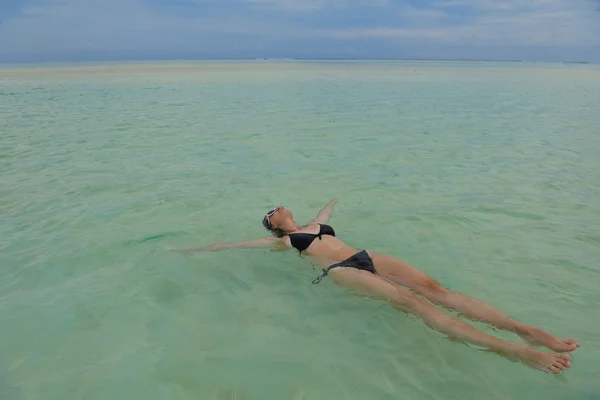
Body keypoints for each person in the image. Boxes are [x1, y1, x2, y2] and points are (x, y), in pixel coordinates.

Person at [179, 197, 579, 373]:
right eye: (272, 211)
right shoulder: (283, 241)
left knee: (439, 291)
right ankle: (516, 351)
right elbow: (234, 244)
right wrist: (197, 249)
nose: (278, 207)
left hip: (366, 255)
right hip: (340, 270)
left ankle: (529, 331)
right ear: (272, 224)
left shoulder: (312, 224)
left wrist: (335, 200)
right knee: (415, 304)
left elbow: (324, 210)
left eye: (279, 205)